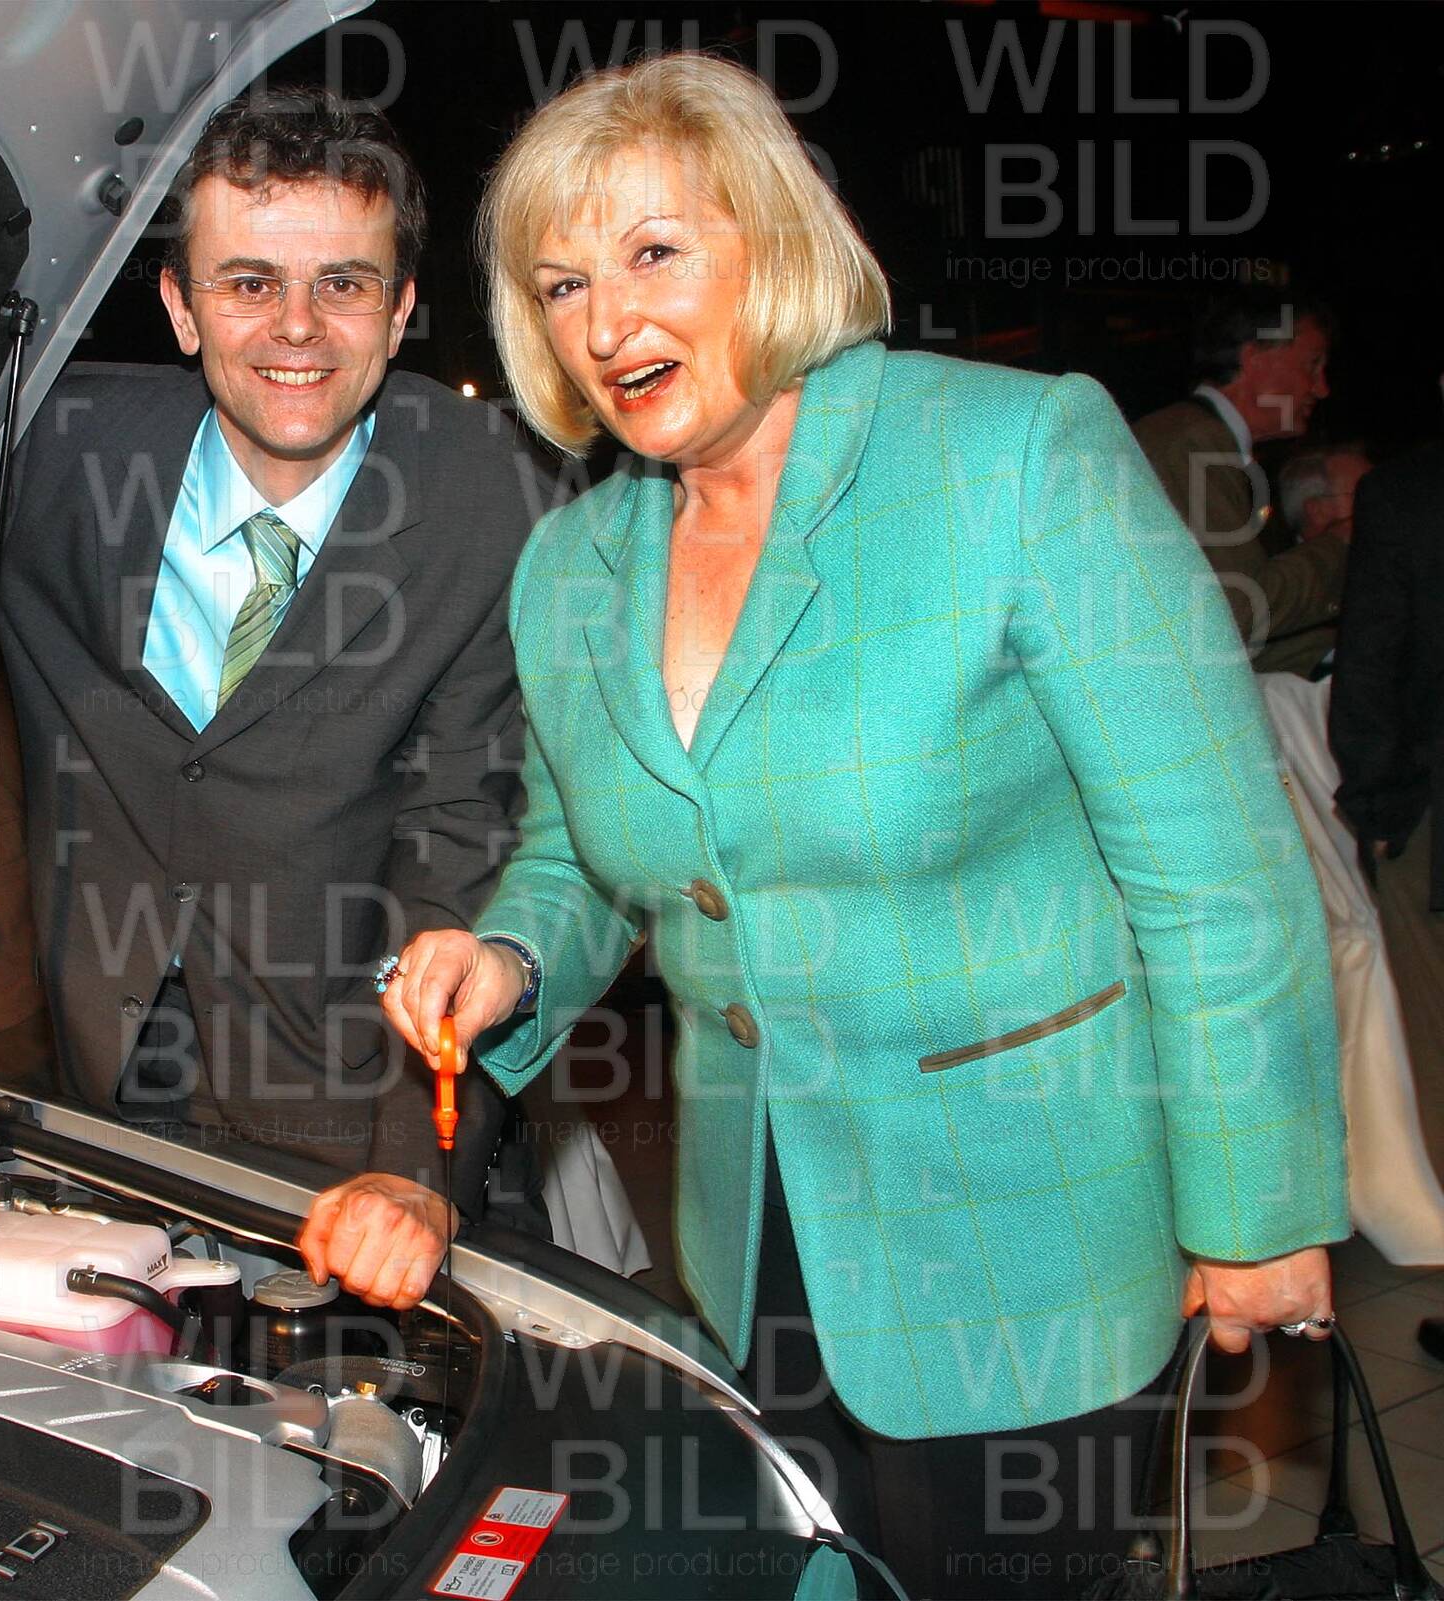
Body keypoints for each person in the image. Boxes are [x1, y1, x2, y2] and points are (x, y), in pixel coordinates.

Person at [380, 54, 1347, 1600]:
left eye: (654, 252)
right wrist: (506, 960)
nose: (607, 322)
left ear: (770, 243)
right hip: (754, 1228)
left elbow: (1216, 869)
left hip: (1028, 1222)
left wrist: (1255, 1210)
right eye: (562, 284)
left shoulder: (1013, 459)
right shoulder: (572, 567)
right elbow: (583, 855)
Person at [0, 89, 551, 1310]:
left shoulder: (494, 497)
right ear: (179, 306)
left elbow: (462, 839)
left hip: (350, 1113)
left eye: (345, 283)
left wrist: (415, 1171)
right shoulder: (47, 451)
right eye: (249, 282)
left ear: (402, 308)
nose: (297, 328)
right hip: (106, 1086)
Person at [1132, 294, 1343, 676]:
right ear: (1255, 356)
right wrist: (1341, 544)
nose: (1322, 388)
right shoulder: (1191, 443)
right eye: (1312, 365)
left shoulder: (1204, 443)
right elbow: (1239, 616)